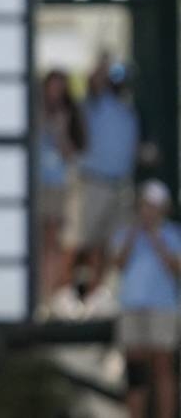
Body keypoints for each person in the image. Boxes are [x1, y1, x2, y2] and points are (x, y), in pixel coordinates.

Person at [110, 179, 181, 418]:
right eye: (144, 205)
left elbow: (176, 267)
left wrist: (156, 238)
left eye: (152, 206)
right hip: (131, 306)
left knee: (163, 367)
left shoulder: (173, 233)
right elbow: (118, 264)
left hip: (162, 307)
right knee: (135, 370)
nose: (147, 210)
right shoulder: (126, 233)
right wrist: (134, 234)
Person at [76, 56, 139, 314]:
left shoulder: (129, 111)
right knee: (86, 241)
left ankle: (100, 295)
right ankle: (76, 295)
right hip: (95, 182)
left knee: (113, 244)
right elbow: (94, 82)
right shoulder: (95, 105)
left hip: (120, 187)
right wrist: (105, 58)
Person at [36, 69, 87, 318]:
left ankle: (51, 292)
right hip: (37, 185)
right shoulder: (33, 112)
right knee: (42, 240)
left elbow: (71, 153)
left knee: (56, 241)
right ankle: (43, 292)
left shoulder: (69, 116)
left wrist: (60, 131)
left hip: (58, 185)